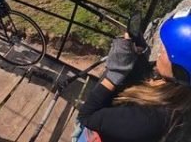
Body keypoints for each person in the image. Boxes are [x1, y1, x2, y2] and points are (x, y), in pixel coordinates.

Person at [76, 9, 191, 142]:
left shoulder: (149, 120)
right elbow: (146, 76)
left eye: (165, 49)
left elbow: (87, 116)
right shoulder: (172, 84)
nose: (160, 49)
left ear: (179, 69)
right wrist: (139, 51)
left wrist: (115, 73)